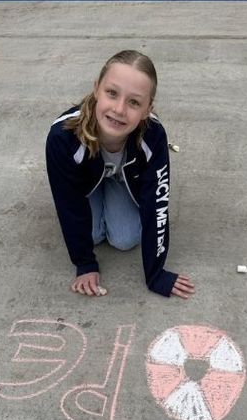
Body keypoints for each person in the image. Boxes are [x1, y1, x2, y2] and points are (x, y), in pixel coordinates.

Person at [45, 49, 195, 300]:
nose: (119, 109)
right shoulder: (63, 137)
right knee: (90, 236)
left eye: (134, 102)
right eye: (112, 93)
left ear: (147, 109)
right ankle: (99, 194)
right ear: (96, 89)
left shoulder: (153, 136)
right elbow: (67, 203)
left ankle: (112, 188)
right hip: (85, 182)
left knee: (125, 240)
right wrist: (85, 264)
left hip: (124, 180)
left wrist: (155, 274)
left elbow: (157, 203)